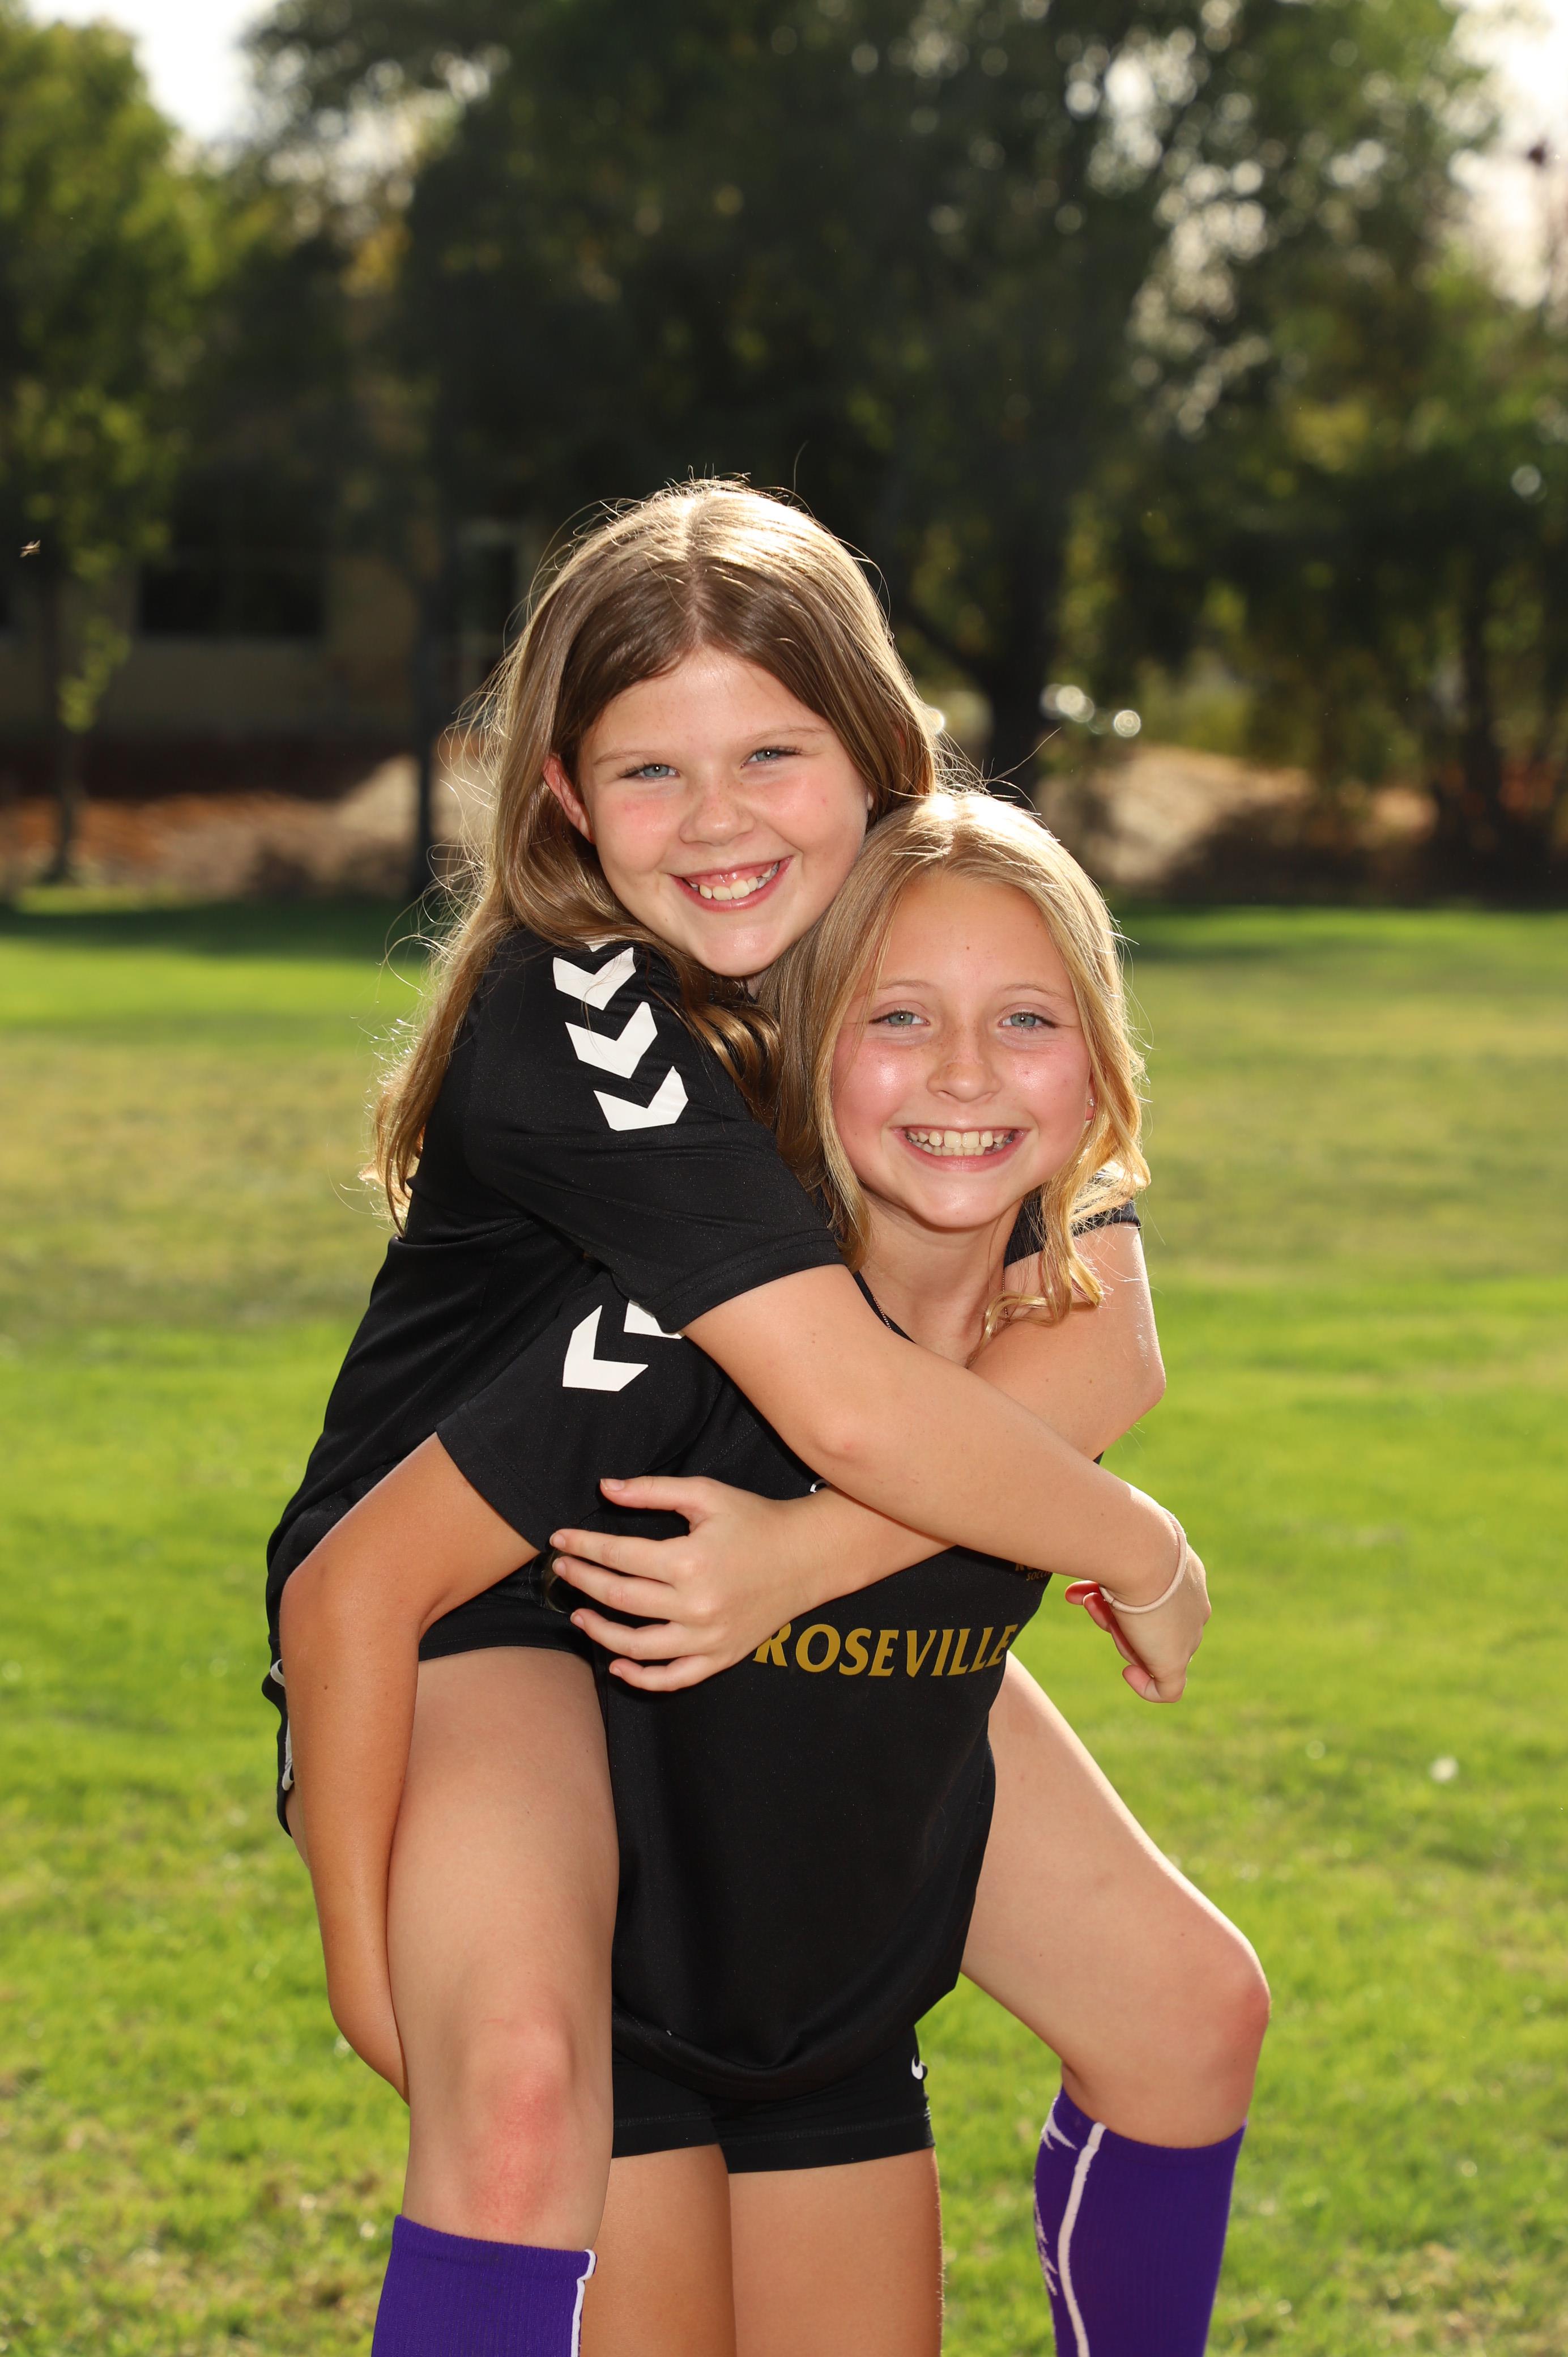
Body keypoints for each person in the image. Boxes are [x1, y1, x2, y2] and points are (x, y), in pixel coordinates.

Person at [270, 488, 1227, 2355]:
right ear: (563, 794)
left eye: (773, 754)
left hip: (736, 1549)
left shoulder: (910, 976)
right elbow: (858, 1408)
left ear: (876, 751)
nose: (720, 823)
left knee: (1187, 2004)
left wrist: (802, 1559)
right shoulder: (589, 1013)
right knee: (524, 2097)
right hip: (484, 1592)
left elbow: (1100, 1326)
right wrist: (1140, 1543)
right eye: (653, 770)